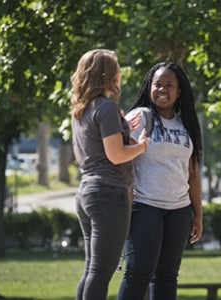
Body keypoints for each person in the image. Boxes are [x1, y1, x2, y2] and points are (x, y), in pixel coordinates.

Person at [118, 62, 204, 300]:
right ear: (149, 87)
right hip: (145, 207)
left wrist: (197, 214)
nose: (162, 90)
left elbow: (193, 174)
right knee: (137, 274)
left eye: (169, 85)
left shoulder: (185, 125)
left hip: (179, 211)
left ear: (179, 92)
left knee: (167, 276)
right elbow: (121, 160)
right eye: (157, 84)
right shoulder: (140, 118)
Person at [70, 49, 150, 300]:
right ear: (107, 75)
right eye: (117, 69)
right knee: (101, 271)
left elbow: (88, 152)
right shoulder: (106, 108)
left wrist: (123, 126)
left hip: (87, 192)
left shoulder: (81, 110)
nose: (120, 74)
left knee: (91, 268)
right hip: (109, 194)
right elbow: (116, 155)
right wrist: (142, 145)